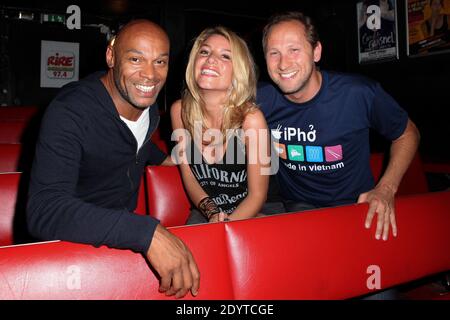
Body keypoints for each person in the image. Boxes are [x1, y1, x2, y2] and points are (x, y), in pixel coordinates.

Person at [27, 19, 199, 299]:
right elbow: (44, 210)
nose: (150, 75)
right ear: (111, 56)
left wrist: (164, 161)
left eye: (160, 62)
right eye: (135, 59)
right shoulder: (70, 112)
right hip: (67, 257)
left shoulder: (148, 107)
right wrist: (148, 234)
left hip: (118, 250)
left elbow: (132, 144)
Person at [257, 12, 420, 241]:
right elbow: (209, 111)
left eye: (294, 50)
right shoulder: (260, 101)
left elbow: (407, 133)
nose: (283, 64)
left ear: (316, 52)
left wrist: (385, 189)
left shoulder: (359, 94)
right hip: (297, 211)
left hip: (358, 210)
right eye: (274, 53)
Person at [170, 26, 270, 224]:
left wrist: (225, 226)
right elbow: (189, 178)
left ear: (238, 71)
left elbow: (257, 196)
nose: (210, 59)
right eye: (205, 52)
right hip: (205, 213)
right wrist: (213, 214)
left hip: (250, 214)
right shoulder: (179, 112)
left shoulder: (251, 120)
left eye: (225, 56)